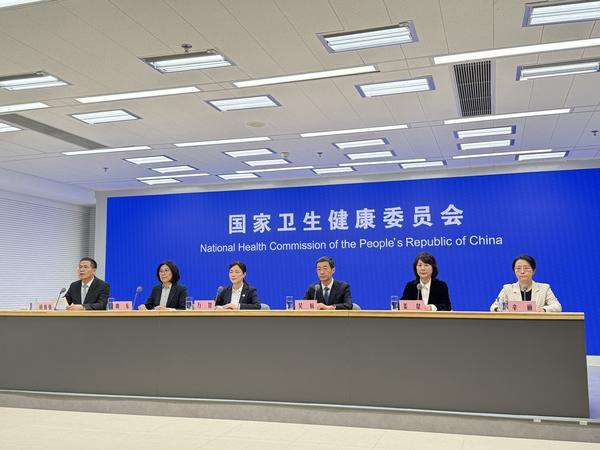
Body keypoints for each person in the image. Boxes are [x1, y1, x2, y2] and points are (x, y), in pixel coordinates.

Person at [490, 255, 561, 312]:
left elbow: (557, 306)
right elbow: (494, 306)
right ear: (514, 271)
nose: (522, 272)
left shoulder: (544, 288)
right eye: (518, 268)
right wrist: (499, 309)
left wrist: (543, 310)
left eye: (526, 268)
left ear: (534, 270)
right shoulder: (507, 289)